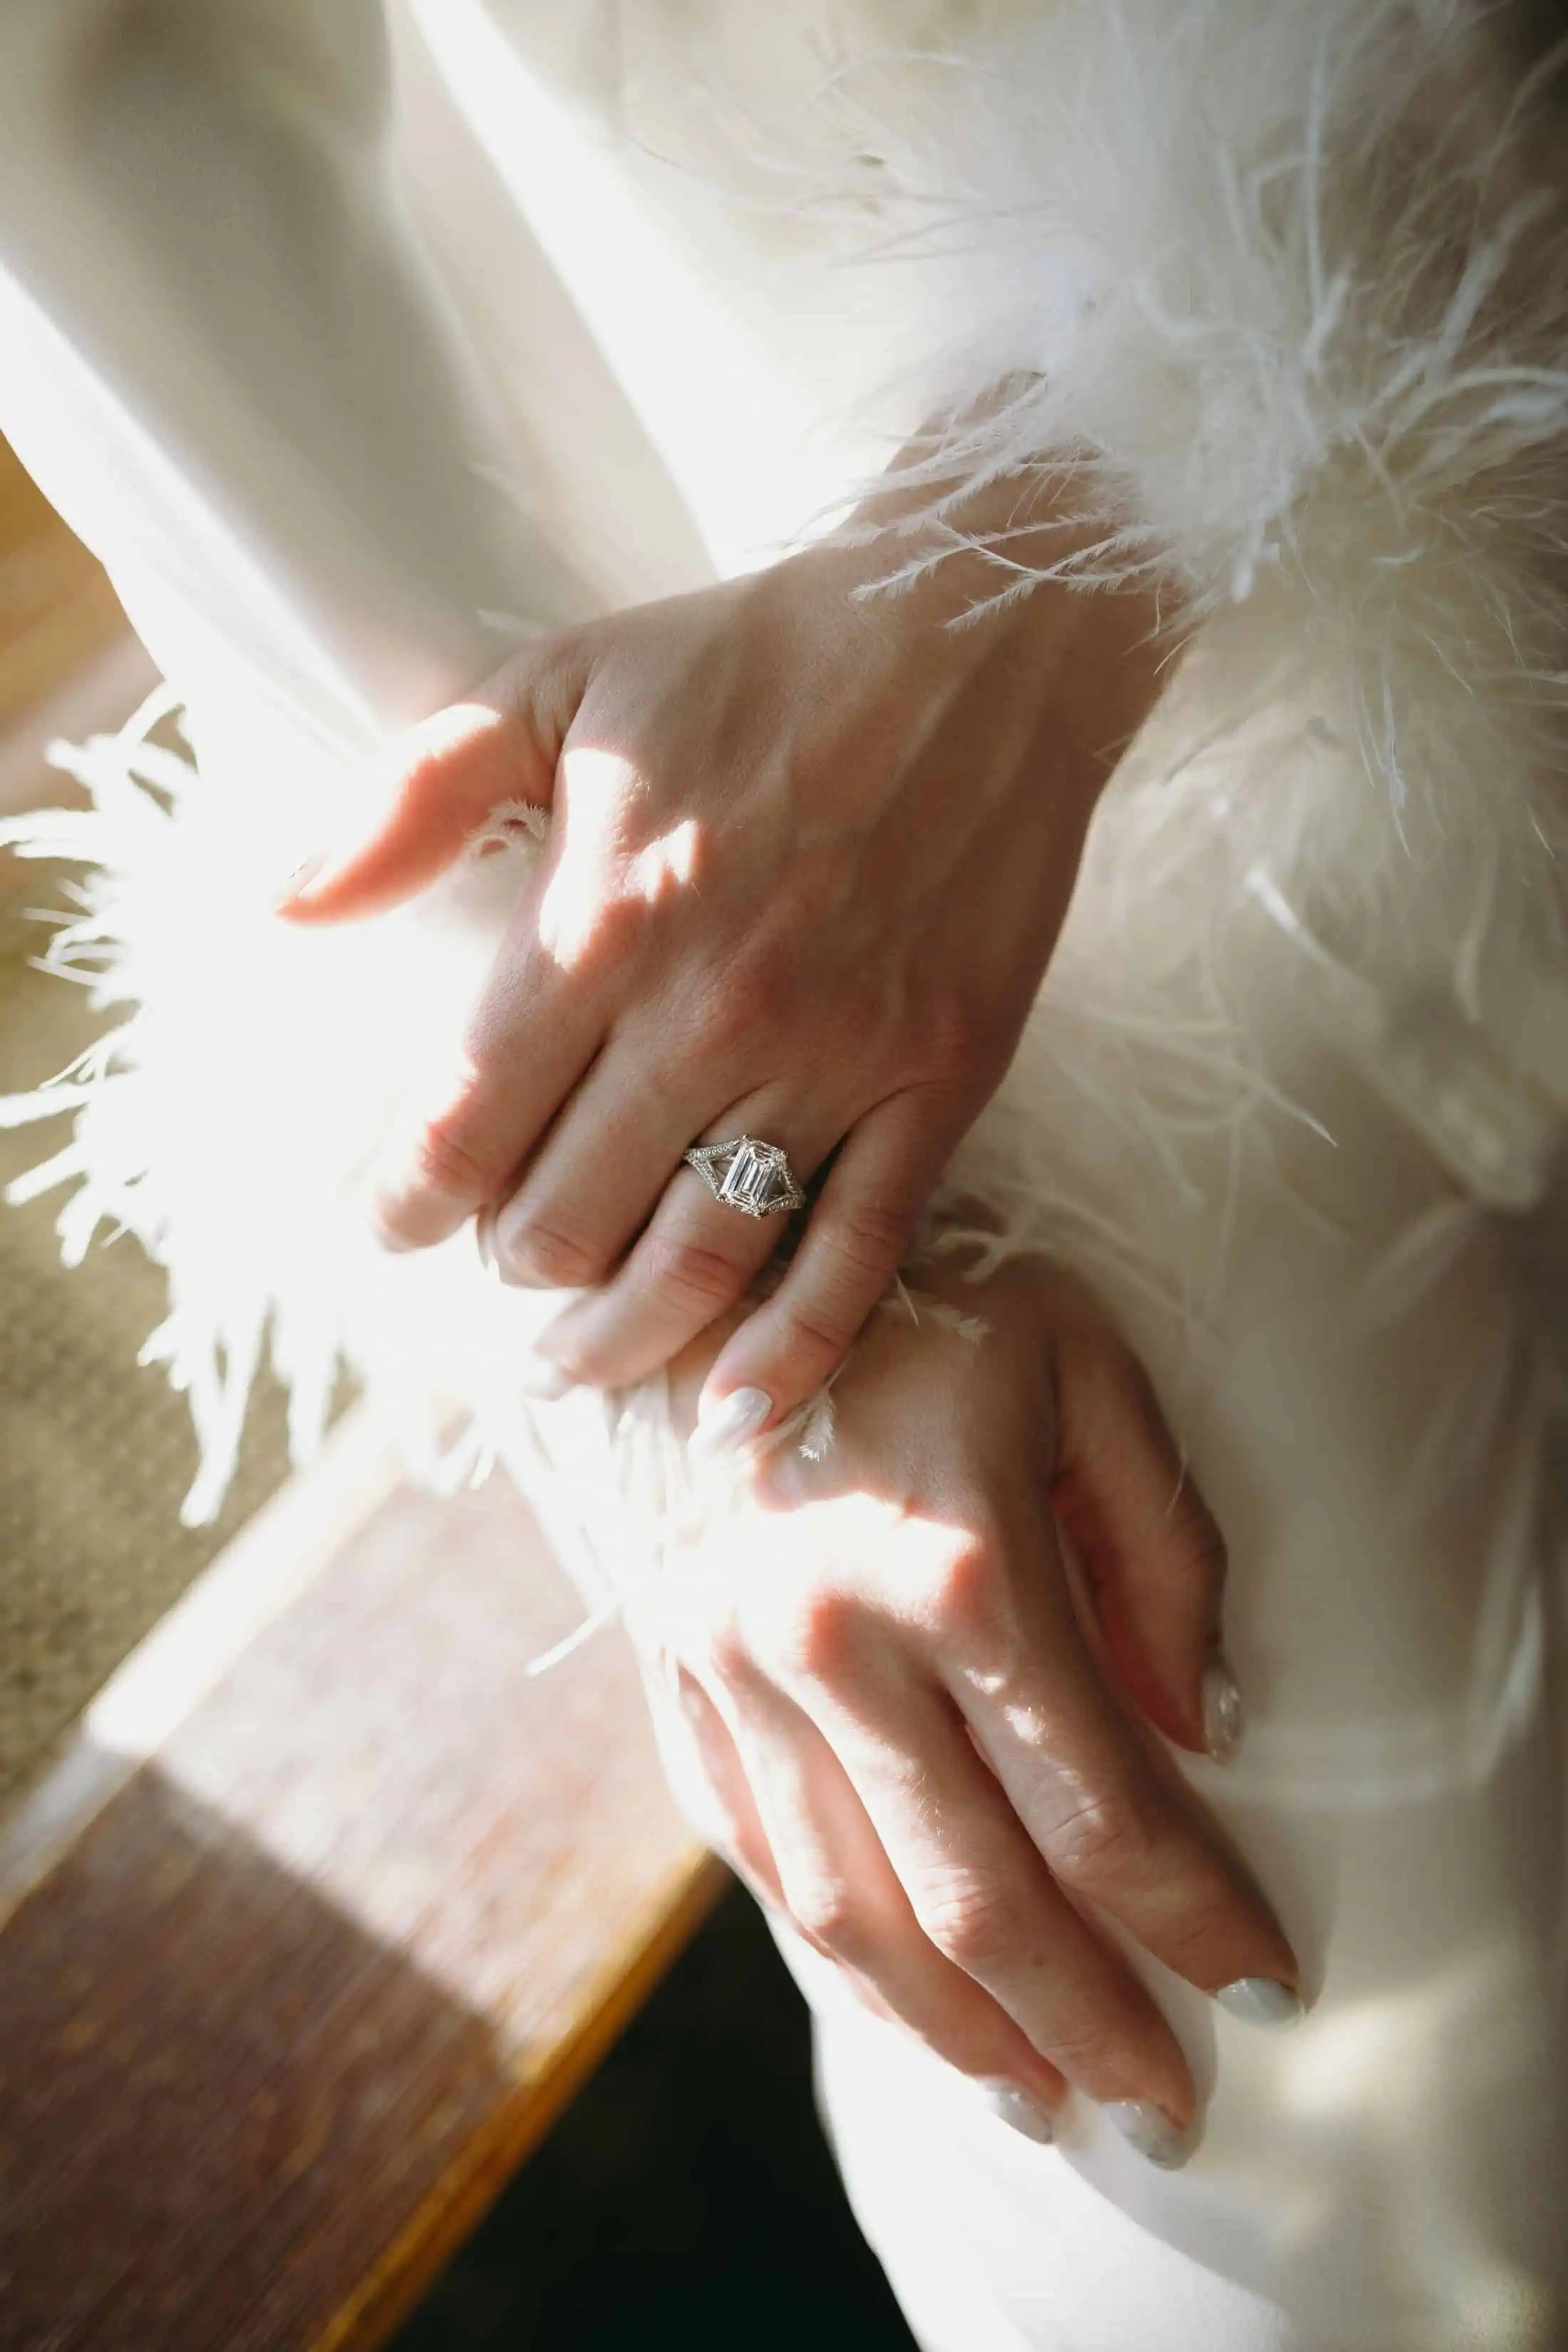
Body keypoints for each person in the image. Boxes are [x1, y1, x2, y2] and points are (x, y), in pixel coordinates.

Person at [1, 3, 1563, 2344]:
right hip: (930, 907)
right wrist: (732, 1289)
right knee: (1352, 2151)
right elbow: (84, 138)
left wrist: (1064, 529)